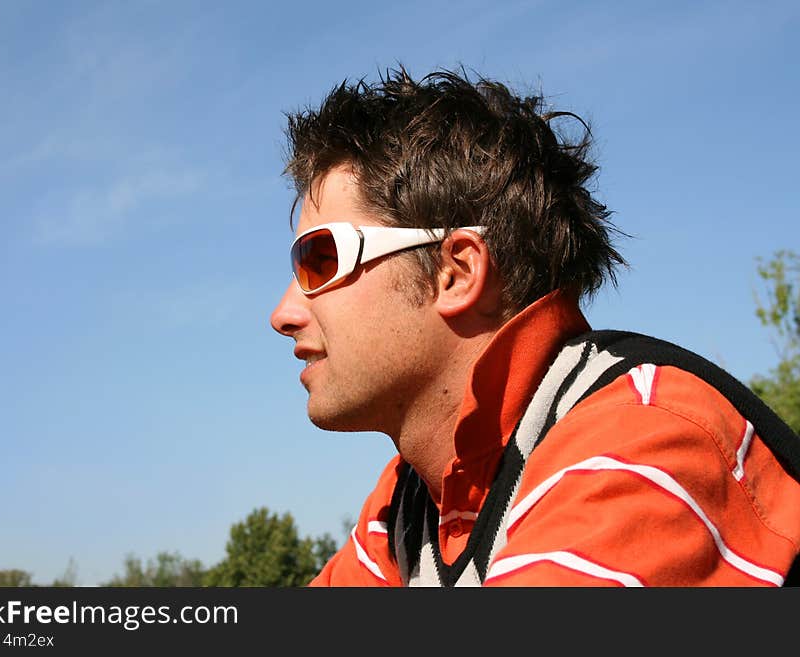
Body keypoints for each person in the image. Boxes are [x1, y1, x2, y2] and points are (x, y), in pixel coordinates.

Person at [269, 67, 800, 586]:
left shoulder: (640, 441)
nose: (283, 314)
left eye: (319, 259)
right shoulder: (410, 503)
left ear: (456, 273)